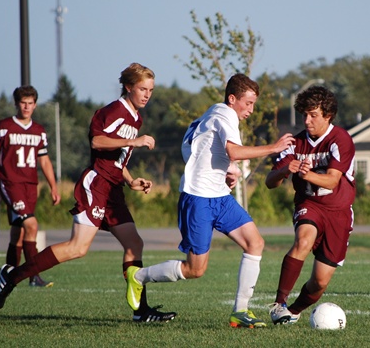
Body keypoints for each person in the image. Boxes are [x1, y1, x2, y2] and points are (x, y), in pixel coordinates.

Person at [0, 63, 177, 323]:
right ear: (128, 87)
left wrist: (131, 180)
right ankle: (11, 277)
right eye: (142, 89)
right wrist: (133, 141)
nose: (147, 94)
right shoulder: (114, 110)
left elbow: (116, 159)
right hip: (96, 185)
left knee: (135, 244)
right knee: (77, 248)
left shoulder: (136, 117)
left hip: (113, 188)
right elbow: (97, 141)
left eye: (151, 90)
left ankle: (141, 311)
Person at [125, 73, 295, 328]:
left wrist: (223, 172)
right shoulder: (224, 115)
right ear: (232, 98)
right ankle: (138, 276)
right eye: (248, 103)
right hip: (198, 200)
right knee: (195, 270)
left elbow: (191, 147)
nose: (251, 109)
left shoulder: (211, 113)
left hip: (219, 197)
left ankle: (240, 311)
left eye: (253, 104)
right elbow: (234, 152)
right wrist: (273, 148)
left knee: (255, 243)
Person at [265, 85, 355, 325]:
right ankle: (279, 303)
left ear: (328, 115)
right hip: (310, 204)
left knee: (320, 282)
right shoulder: (295, 143)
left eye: (313, 115)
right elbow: (269, 182)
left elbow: (333, 180)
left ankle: (292, 312)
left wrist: (307, 174)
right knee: (303, 240)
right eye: (304, 114)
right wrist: (285, 170)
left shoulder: (341, 139)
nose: (307, 120)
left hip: (338, 212)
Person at [0, 86, 61, 287]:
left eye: (30, 103)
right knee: (32, 225)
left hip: (30, 186)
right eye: (23, 103)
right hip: (10, 184)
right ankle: (33, 276)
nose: (26, 107)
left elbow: (44, 160)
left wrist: (54, 187)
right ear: (16, 104)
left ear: (35, 105)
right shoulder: (4, 127)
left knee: (18, 232)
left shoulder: (39, 131)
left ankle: (8, 273)